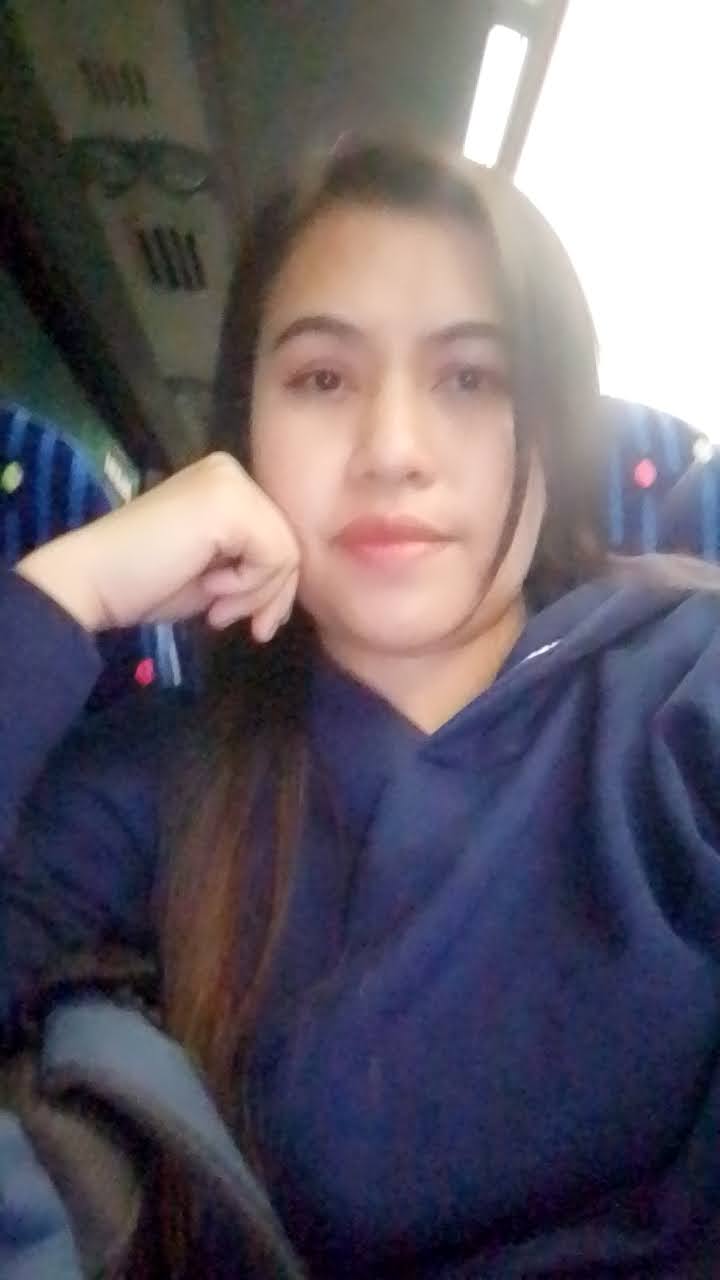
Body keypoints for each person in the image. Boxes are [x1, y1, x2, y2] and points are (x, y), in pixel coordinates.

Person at [2, 139, 720, 1278]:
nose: (392, 451)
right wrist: (69, 591)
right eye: (324, 380)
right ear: (246, 430)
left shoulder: (687, 684)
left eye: (471, 379)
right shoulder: (161, 776)